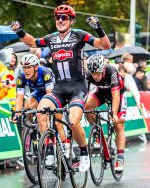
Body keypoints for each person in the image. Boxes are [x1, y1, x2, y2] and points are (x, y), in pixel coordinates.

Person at [11, 4, 111, 172]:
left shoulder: (80, 35)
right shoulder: (51, 39)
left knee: (72, 121)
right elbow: (31, 41)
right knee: (41, 111)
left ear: (71, 20)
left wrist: (98, 28)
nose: (60, 20)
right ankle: (50, 151)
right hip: (59, 88)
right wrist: (19, 30)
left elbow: (105, 45)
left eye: (64, 17)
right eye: (58, 17)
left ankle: (84, 152)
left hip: (78, 88)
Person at [85, 54, 126, 171]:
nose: (96, 76)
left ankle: (120, 157)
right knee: (87, 107)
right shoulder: (88, 74)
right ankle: (97, 133)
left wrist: (113, 113)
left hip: (117, 93)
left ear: (103, 69)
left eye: (98, 73)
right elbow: (84, 93)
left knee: (118, 125)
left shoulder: (111, 71)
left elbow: (116, 95)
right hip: (101, 92)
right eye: (93, 74)